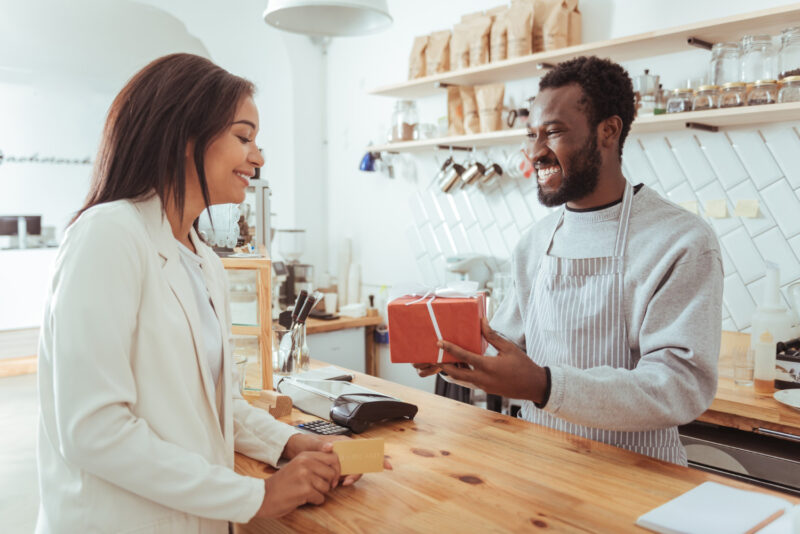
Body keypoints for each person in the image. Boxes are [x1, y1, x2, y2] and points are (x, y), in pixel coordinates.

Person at [36, 53, 387, 534]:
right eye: (244, 137)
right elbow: (94, 431)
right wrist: (257, 495)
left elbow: (218, 409)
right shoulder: (109, 235)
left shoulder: (202, 259)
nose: (258, 158)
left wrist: (289, 443)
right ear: (184, 137)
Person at [416, 56, 723, 465]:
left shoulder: (680, 241)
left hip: (641, 476)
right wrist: (454, 356)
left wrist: (545, 386)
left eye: (554, 132)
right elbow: (502, 348)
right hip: (542, 467)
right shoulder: (536, 242)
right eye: (531, 134)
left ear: (608, 131)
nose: (535, 152)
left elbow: (679, 387)